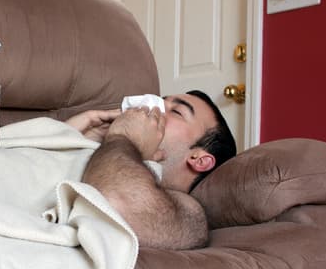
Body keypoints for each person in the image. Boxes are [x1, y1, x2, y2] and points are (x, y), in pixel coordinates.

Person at [65, 90, 236, 251]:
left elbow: (113, 203)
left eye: (176, 111)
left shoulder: (187, 213)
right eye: (160, 101)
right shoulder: (96, 148)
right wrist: (68, 134)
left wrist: (124, 138)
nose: (151, 107)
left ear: (199, 159)